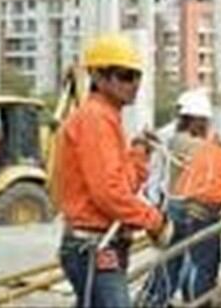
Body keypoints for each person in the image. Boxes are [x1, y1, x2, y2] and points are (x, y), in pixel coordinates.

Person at [55, 33, 172, 308]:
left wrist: (140, 153)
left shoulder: (107, 118)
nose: (133, 84)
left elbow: (122, 184)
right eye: (124, 75)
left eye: (136, 76)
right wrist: (153, 219)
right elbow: (108, 193)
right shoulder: (95, 119)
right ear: (98, 76)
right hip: (94, 245)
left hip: (102, 243)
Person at [140, 126, 221, 307]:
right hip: (202, 210)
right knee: (204, 264)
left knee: (171, 259)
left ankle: (153, 300)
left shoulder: (212, 146)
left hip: (178, 202)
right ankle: (198, 302)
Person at [144, 89, 214, 208]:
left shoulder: (172, 136)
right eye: (202, 121)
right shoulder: (179, 138)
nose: (205, 125)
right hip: (181, 201)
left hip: (176, 199)